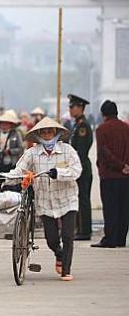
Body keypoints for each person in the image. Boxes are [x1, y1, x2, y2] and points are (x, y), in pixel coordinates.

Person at [4, 117, 82, 281]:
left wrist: (58, 173)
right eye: (44, 132)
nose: (47, 135)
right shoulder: (32, 153)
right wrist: (6, 178)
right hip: (45, 200)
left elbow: (76, 171)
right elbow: (20, 170)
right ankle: (59, 254)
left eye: (50, 131)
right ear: (39, 135)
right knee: (51, 239)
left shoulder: (67, 151)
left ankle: (66, 270)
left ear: (56, 133)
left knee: (68, 235)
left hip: (67, 198)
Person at [92, 100, 129, 248]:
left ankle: (110, 238)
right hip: (126, 175)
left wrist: (119, 166)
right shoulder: (126, 128)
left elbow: (104, 153)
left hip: (109, 175)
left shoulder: (102, 129)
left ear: (103, 114)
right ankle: (121, 238)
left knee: (110, 207)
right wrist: (125, 166)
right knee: (124, 208)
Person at [68, 94, 93, 241]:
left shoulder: (83, 125)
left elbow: (81, 151)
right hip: (78, 167)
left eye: (73, 107)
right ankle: (80, 229)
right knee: (79, 198)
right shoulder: (77, 124)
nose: (70, 109)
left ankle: (84, 231)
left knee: (83, 199)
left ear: (80, 108)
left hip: (82, 167)